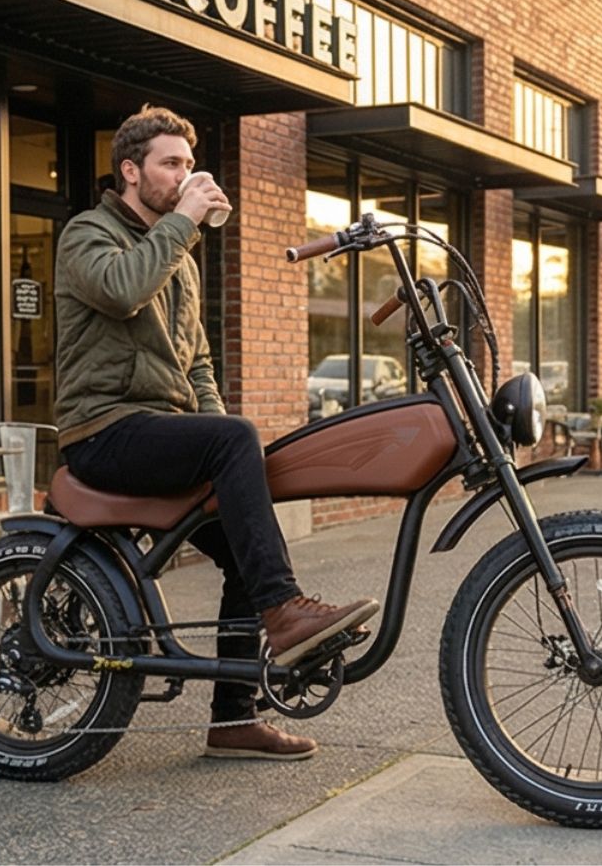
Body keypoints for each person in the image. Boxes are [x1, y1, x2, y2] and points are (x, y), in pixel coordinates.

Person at [54, 105, 380, 761]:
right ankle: (286, 615)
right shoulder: (88, 235)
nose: (184, 175)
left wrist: (221, 434)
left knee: (241, 541)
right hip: (103, 431)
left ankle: (234, 719)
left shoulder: (180, 258)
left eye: (187, 164)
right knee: (235, 440)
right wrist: (181, 223)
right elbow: (121, 291)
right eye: (170, 164)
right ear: (130, 171)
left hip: (159, 430)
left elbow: (197, 362)